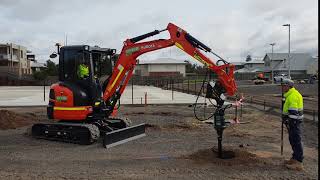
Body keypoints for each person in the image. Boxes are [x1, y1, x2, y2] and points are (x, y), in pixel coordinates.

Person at [281, 79, 304, 171]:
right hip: (292, 122)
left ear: (288, 86)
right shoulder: (290, 95)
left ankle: (298, 162)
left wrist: (289, 122)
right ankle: (294, 158)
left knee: (296, 141)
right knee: (293, 140)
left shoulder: (293, 96)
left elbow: (294, 112)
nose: (282, 88)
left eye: (283, 86)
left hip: (294, 122)